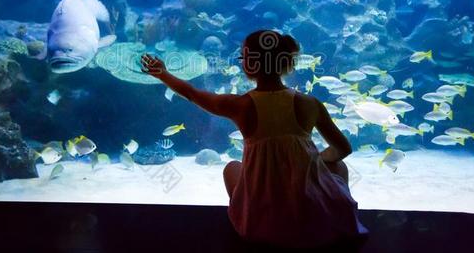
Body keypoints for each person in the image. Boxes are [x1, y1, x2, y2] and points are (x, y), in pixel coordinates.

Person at [140, 30, 367, 248]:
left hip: (260, 225)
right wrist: (317, 160)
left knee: (231, 167)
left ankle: (251, 214)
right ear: (286, 63)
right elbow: (342, 148)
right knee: (338, 165)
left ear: (249, 64)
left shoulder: (240, 105)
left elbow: (192, 94)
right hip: (315, 221)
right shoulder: (310, 104)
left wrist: (163, 73)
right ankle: (332, 211)